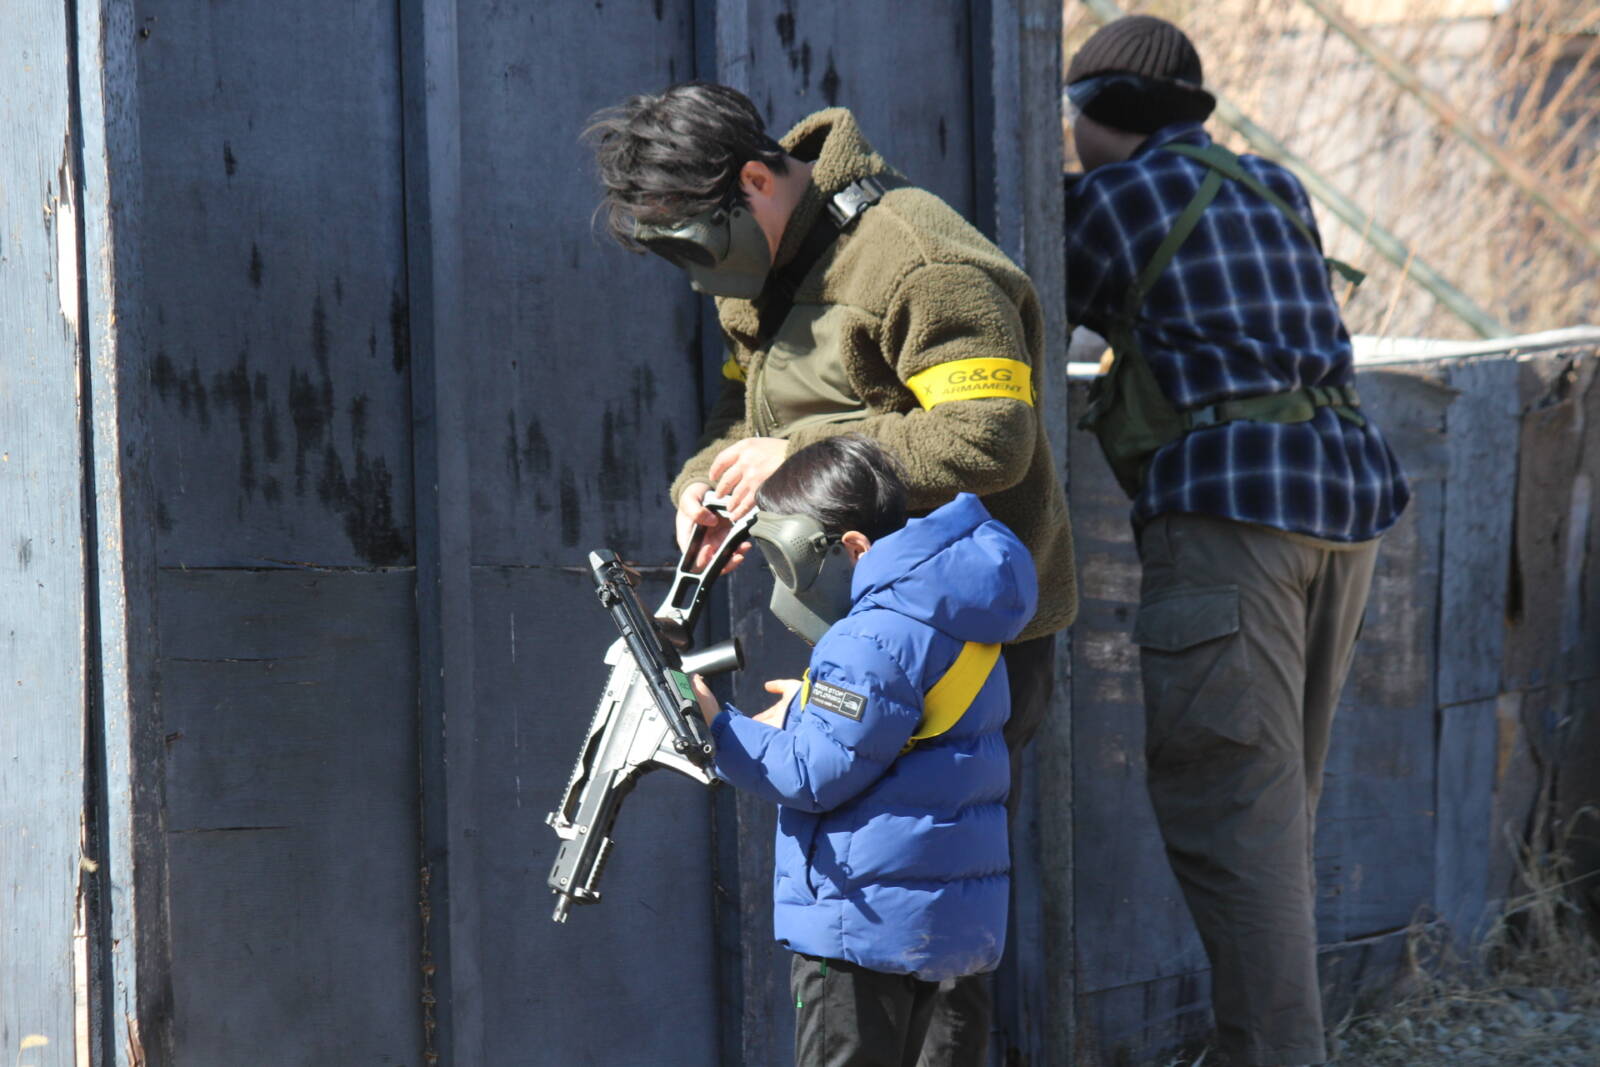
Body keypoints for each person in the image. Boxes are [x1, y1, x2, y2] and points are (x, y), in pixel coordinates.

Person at [587, 81, 1076, 1060]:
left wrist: (798, 453)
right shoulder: (768, 274)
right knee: (883, 898)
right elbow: (749, 426)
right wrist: (706, 487)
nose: (695, 278)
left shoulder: (921, 261)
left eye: (691, 245)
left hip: (962, 635)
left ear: (754, 180)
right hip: (866, 627)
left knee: (916, 912)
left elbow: (991, 437)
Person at [1061, 16, 1410, 1067]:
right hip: (1342, 505)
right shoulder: (1272, 185)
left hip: (1231, 517)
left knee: (1234, 824)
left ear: (1103, 112)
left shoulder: (1114, 201)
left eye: (1074, 113)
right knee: (1275, 816)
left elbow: (1024, 306)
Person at [686, 434, 1037, 1067]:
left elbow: (811, 774)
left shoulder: (868, 635)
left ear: (851, 548)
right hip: (928, 919)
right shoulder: (952, 610)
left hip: (859, 924)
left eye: (788, 557)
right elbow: (909, 725)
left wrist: (715, 723)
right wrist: (811, 704)